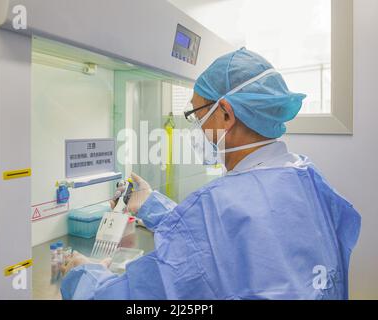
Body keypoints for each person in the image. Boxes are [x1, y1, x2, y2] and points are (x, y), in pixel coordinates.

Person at [60, 48, 361, 300]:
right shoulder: (306, 177)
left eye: (197, 114)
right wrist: (151, 204)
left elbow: (135, 298)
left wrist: (84, 273)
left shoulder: (222, 202)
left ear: (226, 114)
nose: (198, 128)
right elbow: (234, 239)